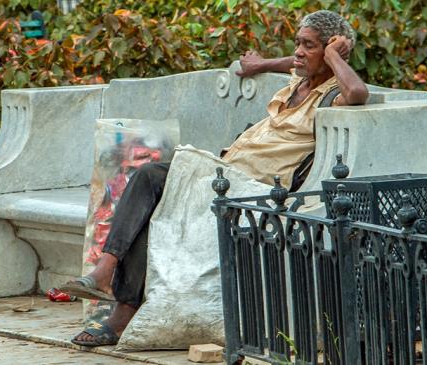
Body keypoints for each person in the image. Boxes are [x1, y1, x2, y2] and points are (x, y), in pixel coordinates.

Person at [62, 9, 368, 347]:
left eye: (308, 46)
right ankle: (114, 298)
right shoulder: (298, 82)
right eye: (296, 42)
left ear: (330, 52)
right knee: (150, 205)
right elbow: (291, 63)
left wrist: (330, 55)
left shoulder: (329, 95)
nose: (297, 51)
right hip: (221, 174)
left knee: (150, 176)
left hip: (246, 188)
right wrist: (261, 64)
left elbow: (357, 93)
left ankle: (107, 279)